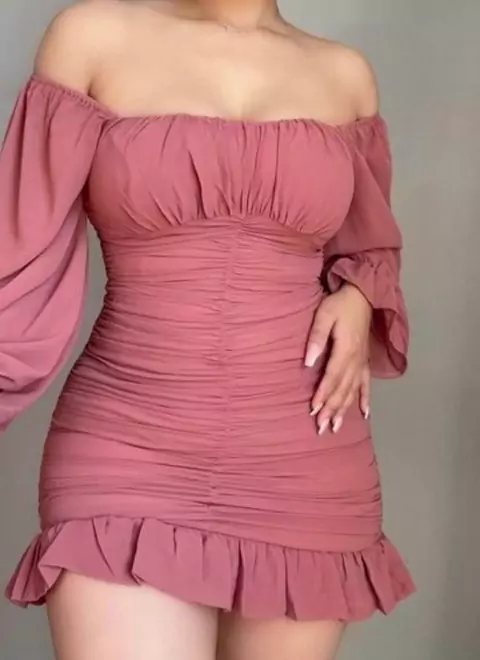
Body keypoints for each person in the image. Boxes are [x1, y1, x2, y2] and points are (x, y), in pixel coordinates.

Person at [0, 1, 415, 658]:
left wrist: (361, 294)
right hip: (128, 441)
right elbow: (17, 251)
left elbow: (368, 243)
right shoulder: (91, 36)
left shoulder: (345, 75)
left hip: (305, 453)